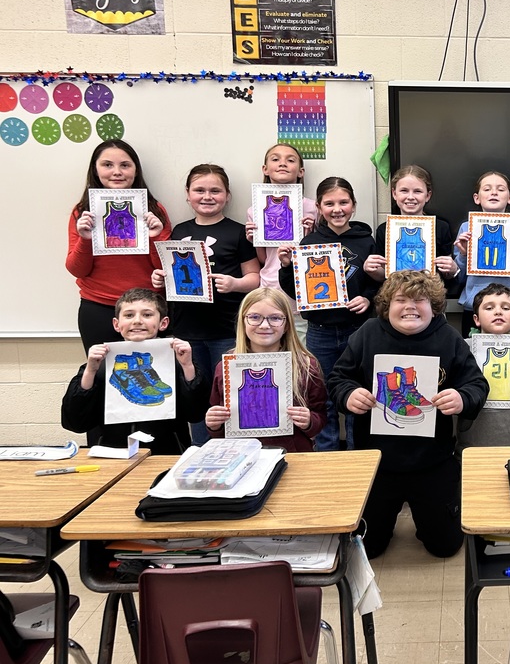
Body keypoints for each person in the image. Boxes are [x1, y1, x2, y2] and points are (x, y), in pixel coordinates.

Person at [328, 271, 489, 559]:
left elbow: (477, 384)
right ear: (387, 305)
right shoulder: (366, 334)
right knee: (370, 549)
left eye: (420, 300)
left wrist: (462, 398)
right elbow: (338, 379)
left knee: (445, 547)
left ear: (434, 306)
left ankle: (432, 517)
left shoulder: (449, 338)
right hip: (377, 461)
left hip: (432, 461)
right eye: (401, 299)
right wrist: (349, 394)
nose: (410, 306)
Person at [152, 164, 260, 446]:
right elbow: (170, 273)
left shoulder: (238, 232)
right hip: (186, 328)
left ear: (227, 195)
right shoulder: (178, 231)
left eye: (215, 190)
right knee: (195, 394)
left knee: (230, 393)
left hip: (226, 328)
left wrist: (235, 284)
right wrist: (159, 279)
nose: (207, 196)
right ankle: (201, 450)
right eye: (199, 190)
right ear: (188, 195)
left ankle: (236, 447)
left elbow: (254, 278)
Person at [278, 177, 377, 451]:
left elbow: (378, 283)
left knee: (358, 394)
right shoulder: (309, 241)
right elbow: (295, 289)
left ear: (354, 206)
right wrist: (287, 266)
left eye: (343, 202)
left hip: (357, 331)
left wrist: (367, 299)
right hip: (320, 332)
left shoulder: (367, 242)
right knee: (323, 397)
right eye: (329, 203)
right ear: (319, 207)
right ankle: (326, 454)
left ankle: (359, 454)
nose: (337, 209)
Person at [60, 288, 207, 455]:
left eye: (147, 315)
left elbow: (196, 414)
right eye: (129, 315)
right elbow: (75, 422)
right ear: (117, 324)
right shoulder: (100, 364)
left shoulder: (178, 361)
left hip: (165, 454)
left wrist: (188, 366)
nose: (137, 321)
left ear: (163, 323)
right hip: (111, 453)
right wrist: (90, 371)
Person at [66, 139, 171, 352]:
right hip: (98, 305)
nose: (117, 172)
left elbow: (165, 268)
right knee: (101, 375)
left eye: (125, 165)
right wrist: (85, 239)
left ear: (135, 170)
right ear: (95, 170)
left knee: (149, 372)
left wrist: (154, 237)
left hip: (147, 307)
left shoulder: (154, 210)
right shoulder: (82, 212)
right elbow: (76, 269)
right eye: (107, 165)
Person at [205, 288, 327, 453]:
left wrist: (309, 421)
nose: (264, 325)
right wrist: (214, 425)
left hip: (293, 455)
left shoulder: (306, 366)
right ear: (243, 321)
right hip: (241, 456)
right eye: (254, 317)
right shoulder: (226, 368)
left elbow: (320, 416)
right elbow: (221, 425)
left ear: (286, 325)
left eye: (275, 318)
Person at [245, 143, 317, 340]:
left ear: (300, 171)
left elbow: (319, 250)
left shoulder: (312, 207)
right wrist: (254, 240)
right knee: (272, 344)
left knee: (301, 345)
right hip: (270, 285)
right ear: (265, 169)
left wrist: (311, 232)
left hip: (302, 289)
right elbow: (263, 258)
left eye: (290, 160)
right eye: (275, 159)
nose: (283, 164)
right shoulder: (255, 210)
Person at [458, 284, 510, 449]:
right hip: (473, 445)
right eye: (489, 308)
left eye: (505, 308)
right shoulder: (463, 347)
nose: (498, 312)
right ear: (476, 319)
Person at [453, 172, 510, 336]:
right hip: (474, 306)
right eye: (487, 189)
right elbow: (458, 278)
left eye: (500, 189)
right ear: (477, 198)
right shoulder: (466, 228)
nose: (494, 193)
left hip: (508, 308)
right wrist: (462, 256)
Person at [364, 165, 459, 291]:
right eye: (404, 190)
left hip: (431, 296)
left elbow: (446, 274)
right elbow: (383, 276)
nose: (410, 197)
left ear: (428, 195)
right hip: (396, 294)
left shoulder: (441, 227)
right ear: (394, 193)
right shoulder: (385, 229)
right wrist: (371, 270)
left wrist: (452, 269)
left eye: (417, 191)